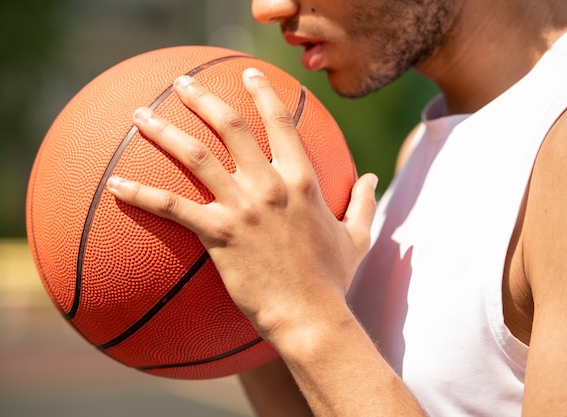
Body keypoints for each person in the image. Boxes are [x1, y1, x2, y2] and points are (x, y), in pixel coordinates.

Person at [106, 0, 567, 415]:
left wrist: (303, 314)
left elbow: (311, 325)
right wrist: (249, 294)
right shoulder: (430, 147)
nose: (267, 9)